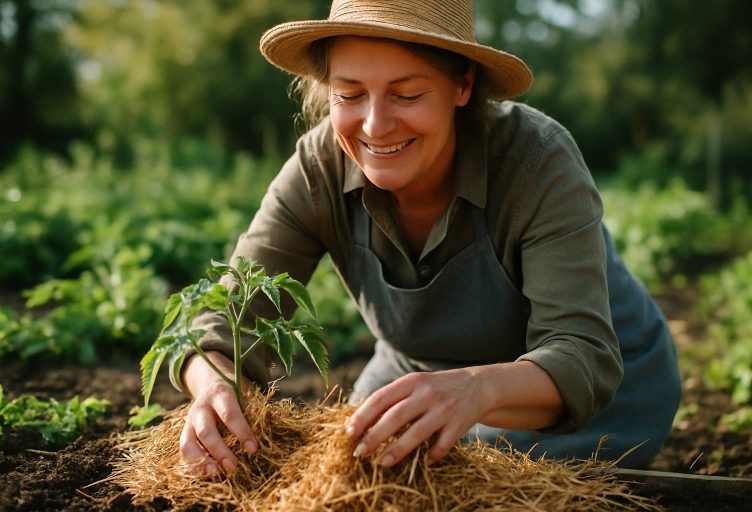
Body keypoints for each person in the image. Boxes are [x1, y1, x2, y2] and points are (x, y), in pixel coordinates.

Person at [171, 0, 681, 477]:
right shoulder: (319, 167)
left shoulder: (535, 161)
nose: (374, 124)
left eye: (407, 94)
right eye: (348, 95)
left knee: (466, 480)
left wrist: (475, 388)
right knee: (351, 468)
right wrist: (212, 381)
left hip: (586, 398)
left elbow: (581, 354)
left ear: (463, 85)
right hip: (414, 373)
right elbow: (229, 312)